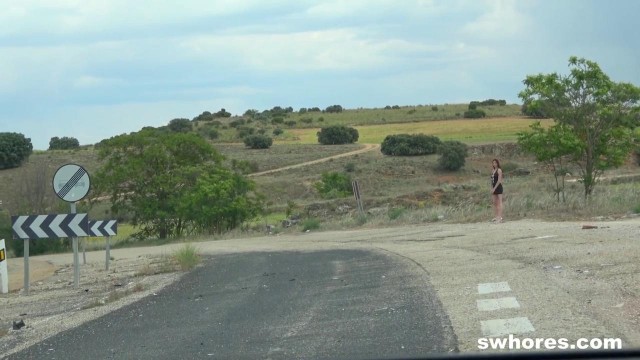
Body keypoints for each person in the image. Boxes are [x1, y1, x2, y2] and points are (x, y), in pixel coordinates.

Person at [490, 158, 504, 223]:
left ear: (497, 163)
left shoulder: (499, 170)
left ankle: (500, 217)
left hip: (498, 187)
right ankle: (496, 216)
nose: (494, 164)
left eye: (495, 163)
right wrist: (491, 188)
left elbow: (499, 180)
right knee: (495, 202)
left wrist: (494, 188)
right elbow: (491, 180)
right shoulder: (492, 170)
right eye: (493, 163)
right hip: (493, 187)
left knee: (500, 202)